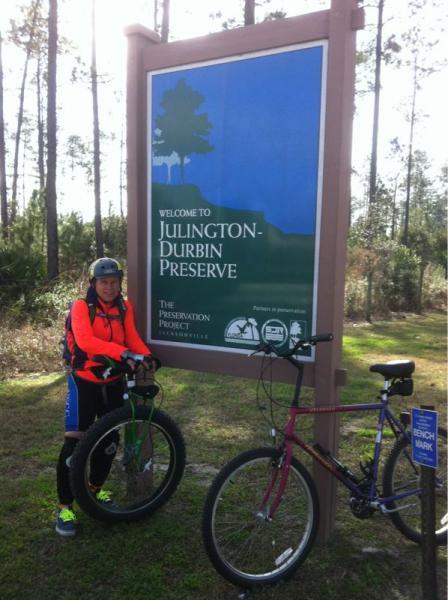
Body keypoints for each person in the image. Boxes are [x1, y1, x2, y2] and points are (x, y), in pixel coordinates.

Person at [55, 257, 155, 537]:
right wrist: (122, 353)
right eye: (104, 282)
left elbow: (132, 337)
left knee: (110, 440)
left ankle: (94, 490)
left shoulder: (124, 307)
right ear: (93, 283)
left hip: (112, 382)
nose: (109, 287)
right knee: (73, 446)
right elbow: (85, 342)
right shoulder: (80, 307)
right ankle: (65, 507)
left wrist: (145, 355)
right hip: (84, 382)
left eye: (114, 282)